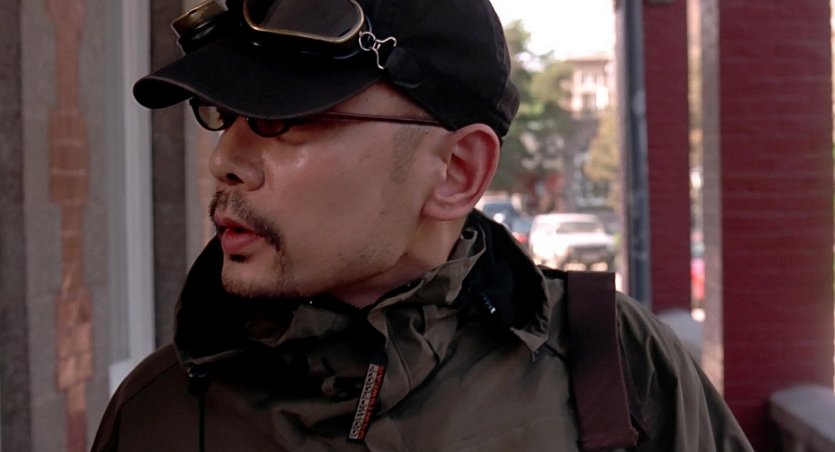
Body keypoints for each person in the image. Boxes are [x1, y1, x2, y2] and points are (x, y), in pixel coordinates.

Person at [92, 0, 753, 451]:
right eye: (222, 116)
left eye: (279, 120)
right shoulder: (157, 412)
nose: (225, 161)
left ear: (456, 172)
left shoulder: (614, 364)